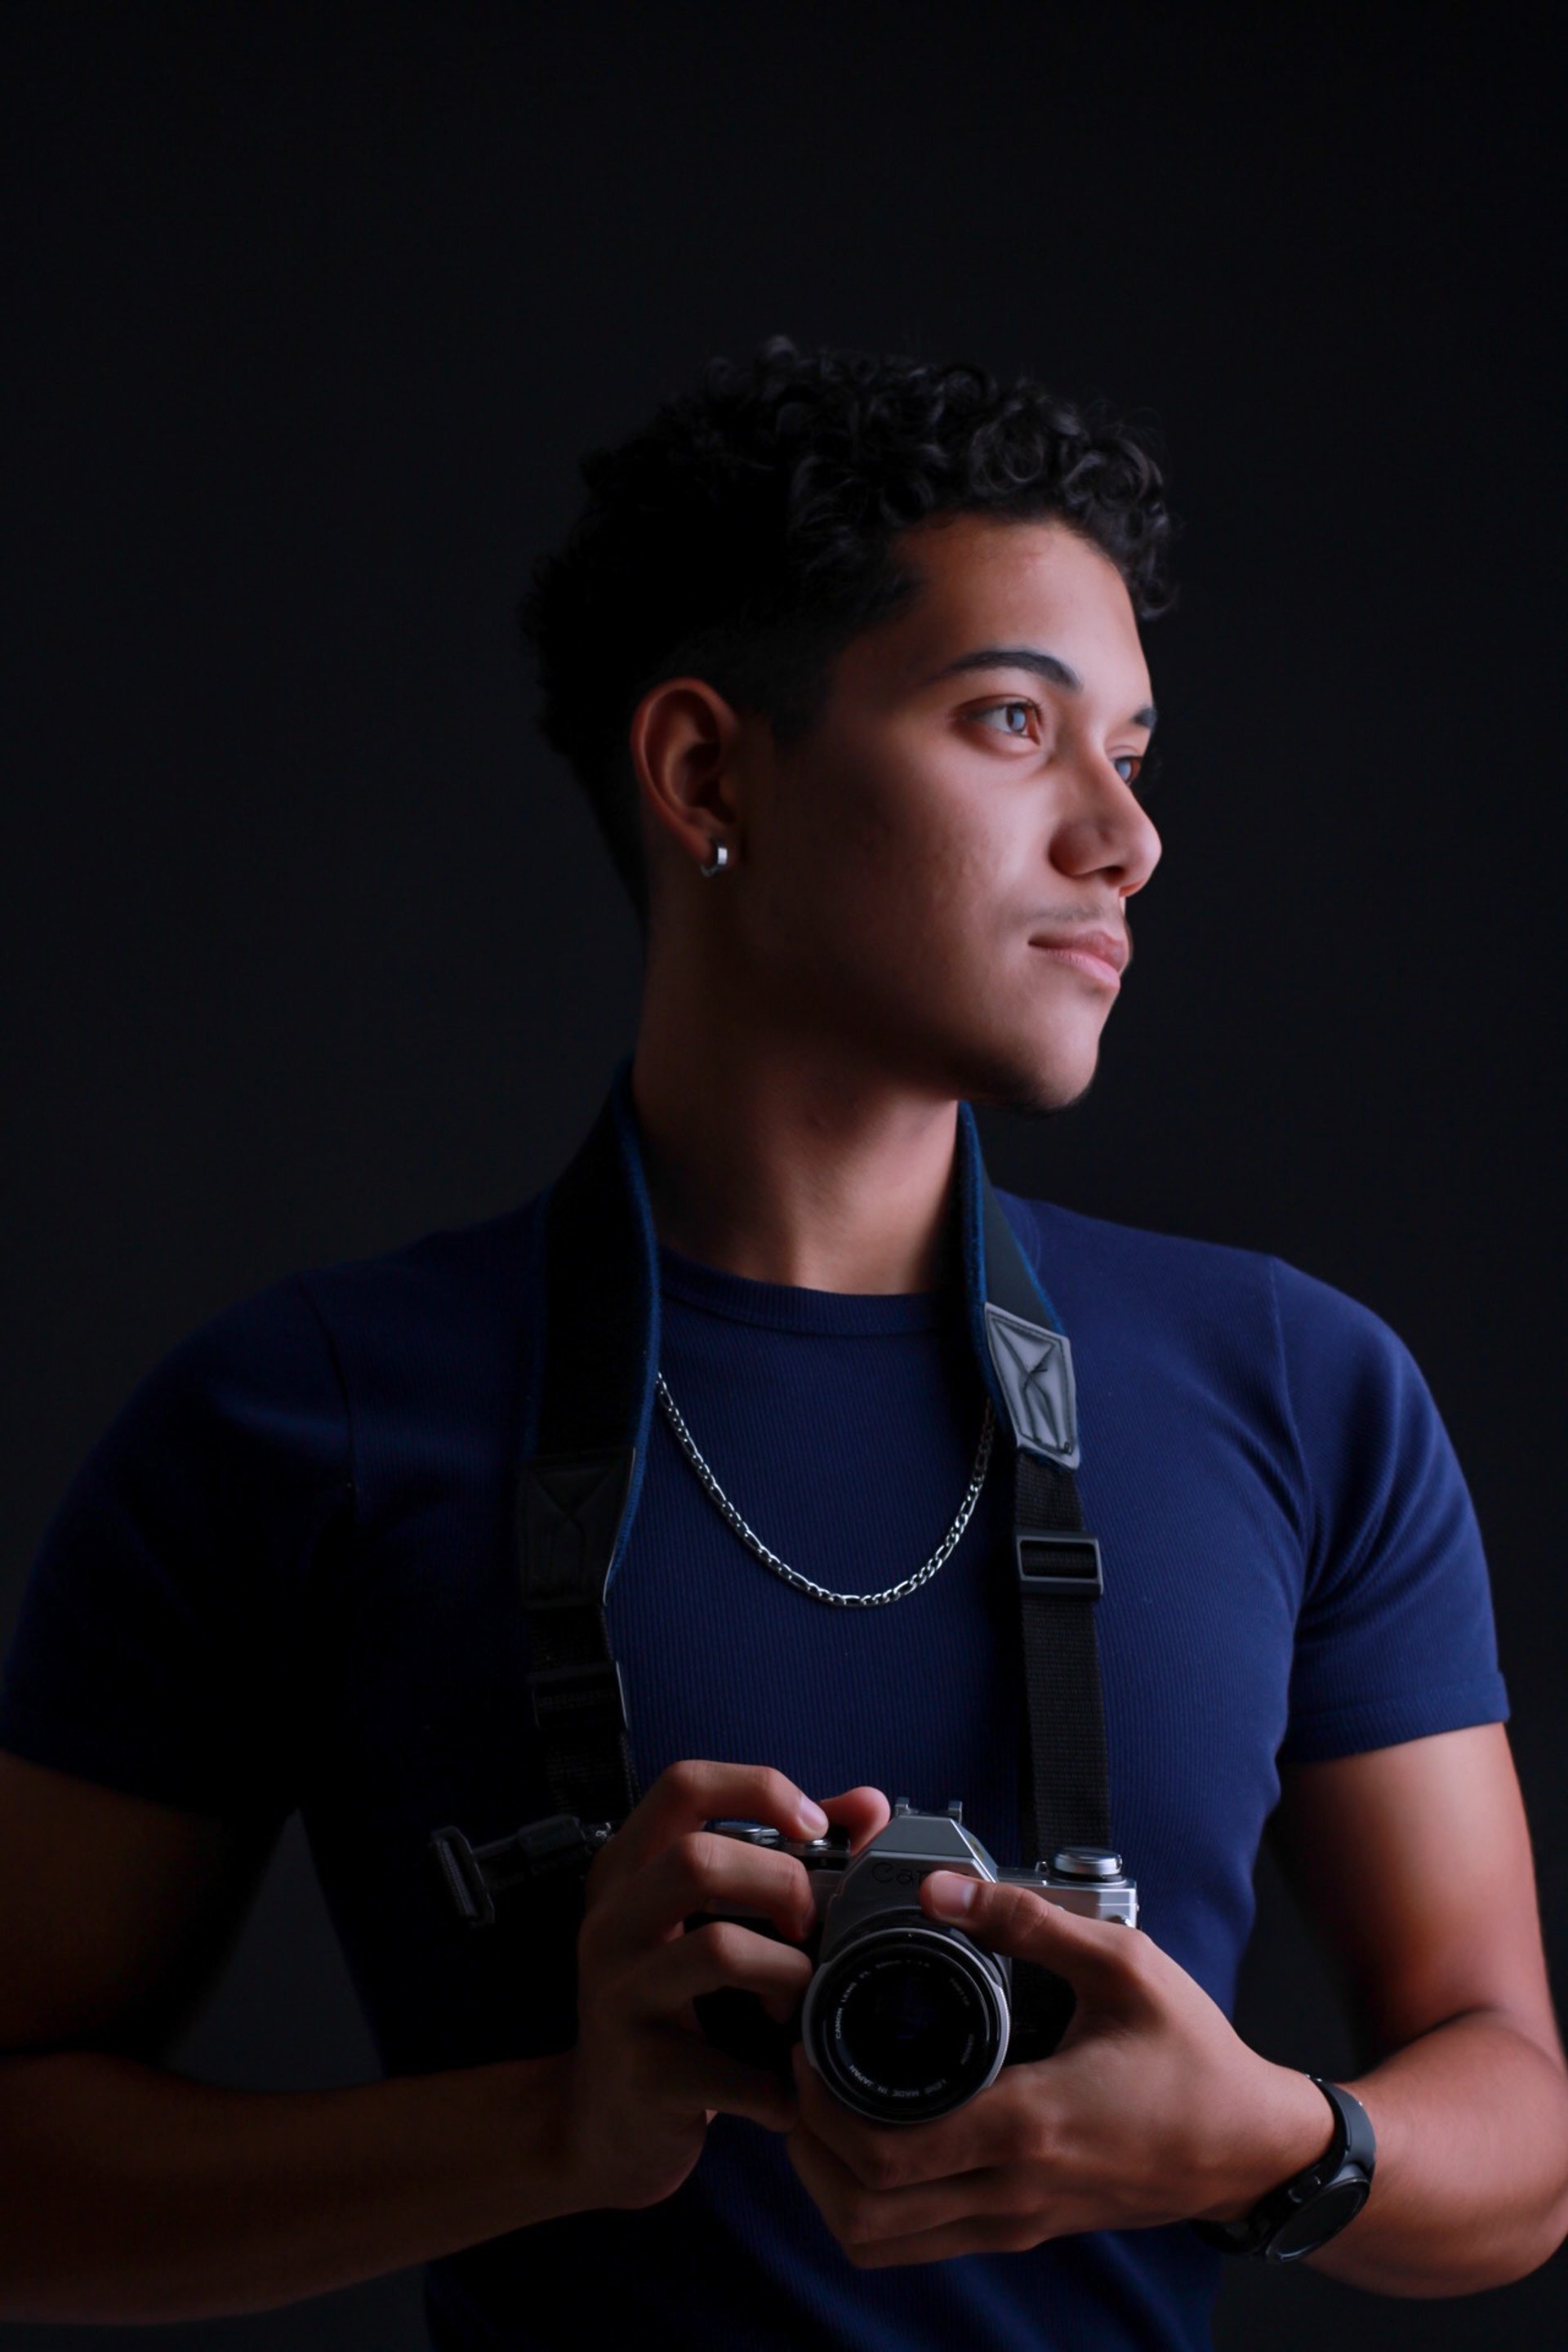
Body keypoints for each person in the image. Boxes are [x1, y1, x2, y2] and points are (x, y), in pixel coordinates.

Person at [0, 336, 1563, 2352]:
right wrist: (561, 2130)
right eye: (1016, 722)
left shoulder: (1299, 1386)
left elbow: (1514, 2137)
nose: (1126, 839)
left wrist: (1257, 2138)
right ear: (707, 771)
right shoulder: (297, 1414)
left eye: (1138, 754)